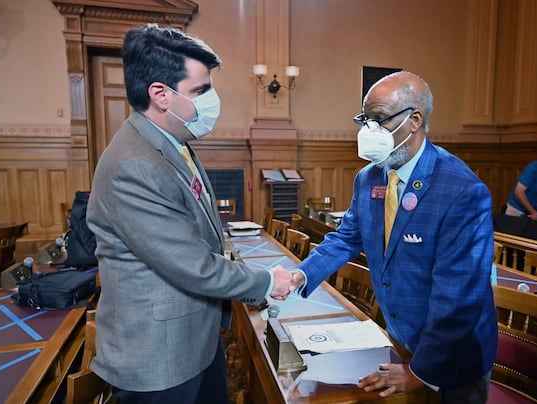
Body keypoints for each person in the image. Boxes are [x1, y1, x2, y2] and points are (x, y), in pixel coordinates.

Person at [86, 24, 292, 403]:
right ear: (161, 95)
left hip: (192, 338)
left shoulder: (170, 143)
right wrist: (265, 282)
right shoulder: (135, 163)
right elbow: (190, 264)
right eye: (201, 90)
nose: (212, 99)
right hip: (159, 357)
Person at [289, 71, 498, 403]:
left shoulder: (462, 190)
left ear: (414, 120)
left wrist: (420, 372)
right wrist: (300, 275)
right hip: (401, 339)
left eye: (379, 119)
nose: (368, 130)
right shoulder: (368, 178)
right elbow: (346, 238)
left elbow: (458, 299)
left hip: (453, 358)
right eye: (364, 119)